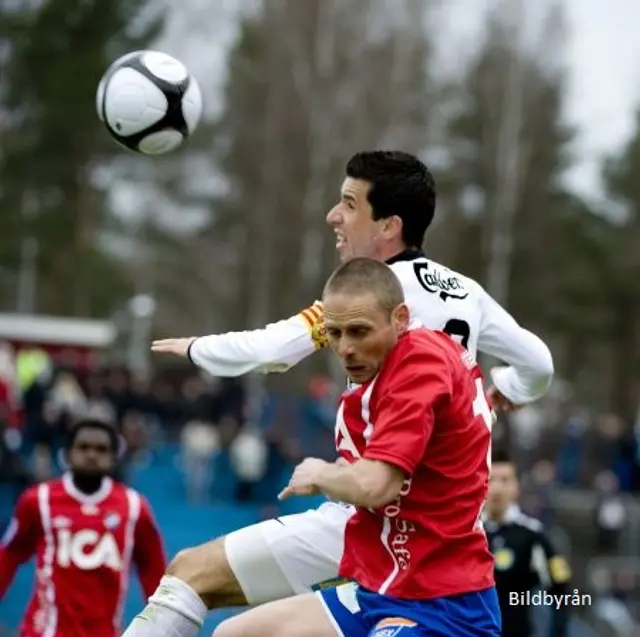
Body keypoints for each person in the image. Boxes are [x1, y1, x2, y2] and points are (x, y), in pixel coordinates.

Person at [122, 151, 552, 637]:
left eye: (348, 204)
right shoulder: (466, 292)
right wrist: (500, 395)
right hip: (424, 525)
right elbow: (539, 363)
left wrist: (199, 348)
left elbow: (275, 348)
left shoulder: (372, 302)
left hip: (384, 522)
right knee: (224, 617)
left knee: (191, 576)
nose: (333, 216)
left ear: (389, 225)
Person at [212, 257, 500, 637]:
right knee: (235, 634)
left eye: (359, 331)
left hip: (443, 603)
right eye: (335, 333)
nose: (345, 348)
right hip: (381, 588)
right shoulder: (388, 374)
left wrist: (320, 473)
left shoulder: (419, 364)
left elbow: (376, 485)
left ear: (400, 318)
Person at [0, 418, 166, 637]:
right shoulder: (38, 500)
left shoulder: (134, 508)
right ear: (68, 454)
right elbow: (9, 554)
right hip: (44, 632)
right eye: (84, 447)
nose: (91, 455)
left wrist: (162, 628)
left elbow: (153, 570)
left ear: (114, 458)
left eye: (101, 449)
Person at [484, 450, 572, 637]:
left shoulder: (533, 535)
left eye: (505, 480)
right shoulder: (466, 533)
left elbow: (562, 592)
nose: (497, 488)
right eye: (491, 479)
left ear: (517, 487)